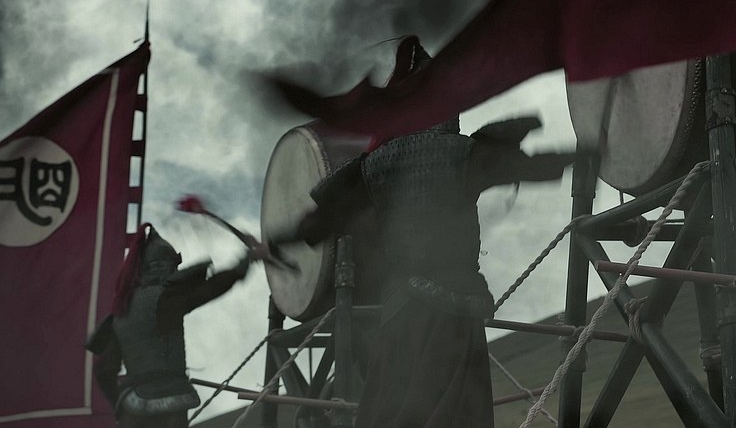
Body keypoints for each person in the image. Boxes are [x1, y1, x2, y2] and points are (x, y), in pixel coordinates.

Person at [285, 114, 574, 428]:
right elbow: (532, 167)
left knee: (391, 412)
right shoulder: (462, 153)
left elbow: (314, 225)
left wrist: (275, 241)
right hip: (454, 311)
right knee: (455, 414)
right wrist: (586, 155)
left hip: (400, 310)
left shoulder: (372, 166)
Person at [86, 223, 264, 428]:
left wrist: (118, 404)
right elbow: (213, 287)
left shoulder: (120, 311)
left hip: (132, 407)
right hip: (172, 401)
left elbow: (103, 370)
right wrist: (245, 262)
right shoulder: (166, 297)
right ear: (163, 266)